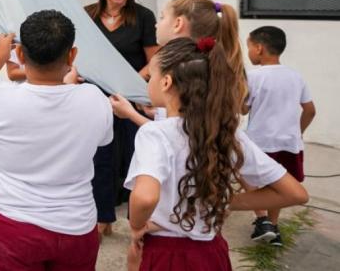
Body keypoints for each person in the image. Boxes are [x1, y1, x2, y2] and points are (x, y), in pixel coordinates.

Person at [125, 37, 309, 270]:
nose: (148, 83)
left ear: (166, 82)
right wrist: (225, 202)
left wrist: (136, 226)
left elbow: (145, 197)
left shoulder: (154, 133)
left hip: (165, 254)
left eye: (151, 76)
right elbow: (296, 193)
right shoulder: (229, 133)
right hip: (212, 253)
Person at [0, 10, 113, 271]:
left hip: (10, 227)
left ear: (19, 55)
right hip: (76, 227)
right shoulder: (94, 99)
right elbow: (102, 140)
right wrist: (70, 87)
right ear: (72, 55)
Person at [84, 0, 158, 236]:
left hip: (131, 99)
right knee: (100, 158)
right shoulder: (87, 15)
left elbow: (155, 60)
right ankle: (103, 218)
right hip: (96, 98)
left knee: (134, 158)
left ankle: (138, 224)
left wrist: (130, 82)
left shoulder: (143, 16)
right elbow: (81, 55)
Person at [111, 0, 246, 126]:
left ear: (178, 23)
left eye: (162, 17)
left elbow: (176, 135)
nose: (156, 25)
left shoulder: (185, 71)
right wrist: (158, 112)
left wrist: (131, 114)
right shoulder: (205, 65)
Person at [244, 26, 316, 246]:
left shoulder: (253, 76)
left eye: (248, 47)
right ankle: (273, 226)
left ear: (259, 48)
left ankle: (262, 218)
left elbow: (242, 109)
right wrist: (298, 133)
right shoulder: (296, 76)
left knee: (247, 176)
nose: (248, 52)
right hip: (289, 143)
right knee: (279, 185)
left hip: (260, 142)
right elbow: (310, 110)